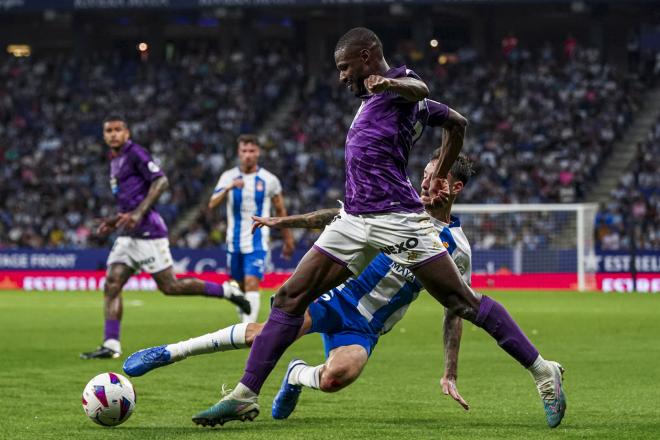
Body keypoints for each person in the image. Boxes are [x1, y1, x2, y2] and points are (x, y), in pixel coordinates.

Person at [193, 27, 566, 429]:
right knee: (288, 297)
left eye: (344, 67)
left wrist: (430, 152)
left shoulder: (398, 89)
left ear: (368, 56)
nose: (341, 77)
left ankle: (545, 372)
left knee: (462, 302)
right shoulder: (376, 101)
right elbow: (455, 123)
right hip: (354, 219)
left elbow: (426, 94)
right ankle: (244, 396)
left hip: (397, 219)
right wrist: (433, 157)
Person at [123, 153, 476, 418]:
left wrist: (450, 371)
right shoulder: (397, 207)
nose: (426, 184)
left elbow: (455, 310)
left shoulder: (458, 249)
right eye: (426, 175)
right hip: (338, 297)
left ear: (456, 188)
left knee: (337, 377)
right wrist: (284, 221)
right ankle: (172, 351)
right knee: (264, 334)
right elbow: (338, 219)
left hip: (367, 327)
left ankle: (295, 375)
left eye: (436, 179)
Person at [80, 116, 250, 360]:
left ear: (127, 133)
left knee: (171, 287)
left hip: (149, 232)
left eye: (118, 130)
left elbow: (161, 181)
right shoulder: (115, 160)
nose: (113, 134)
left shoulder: (135, 153)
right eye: (109, 130)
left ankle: (227, 291)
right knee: (112, 283)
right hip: (128, 234)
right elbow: (131, 199)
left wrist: (138, 213)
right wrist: (115, 220)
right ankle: (111, 344)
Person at [208, 134, 295, 323]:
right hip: (234, 241)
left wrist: (288, 239)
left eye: (252, 151)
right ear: (239, 153)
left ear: (258, 153)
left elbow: (280, 210)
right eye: (244, 151)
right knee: (239, 286)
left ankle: (247, 330)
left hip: (258, 240)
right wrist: (229, 187)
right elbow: (212, 203)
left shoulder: (269, 180)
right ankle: (244, 324)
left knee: (251, 283)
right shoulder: (228, 177)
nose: (248, 155)